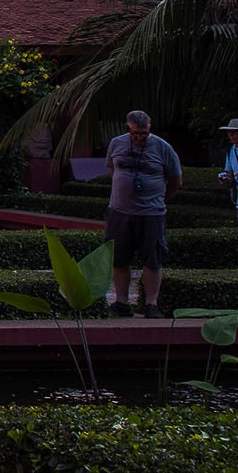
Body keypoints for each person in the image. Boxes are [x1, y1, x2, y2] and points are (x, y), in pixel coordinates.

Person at [104, 110, 183, 318]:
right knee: (119, 258)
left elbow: (176, 180)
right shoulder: (116, 143)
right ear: (128, 128)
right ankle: (121, 302)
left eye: (144, 133)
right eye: (135, 133)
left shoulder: (163, 148)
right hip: (119, 211)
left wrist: (159, 198)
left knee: (153, 259)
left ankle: (151, 304)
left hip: (151, 213)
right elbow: (112, 169)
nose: (139, 137)